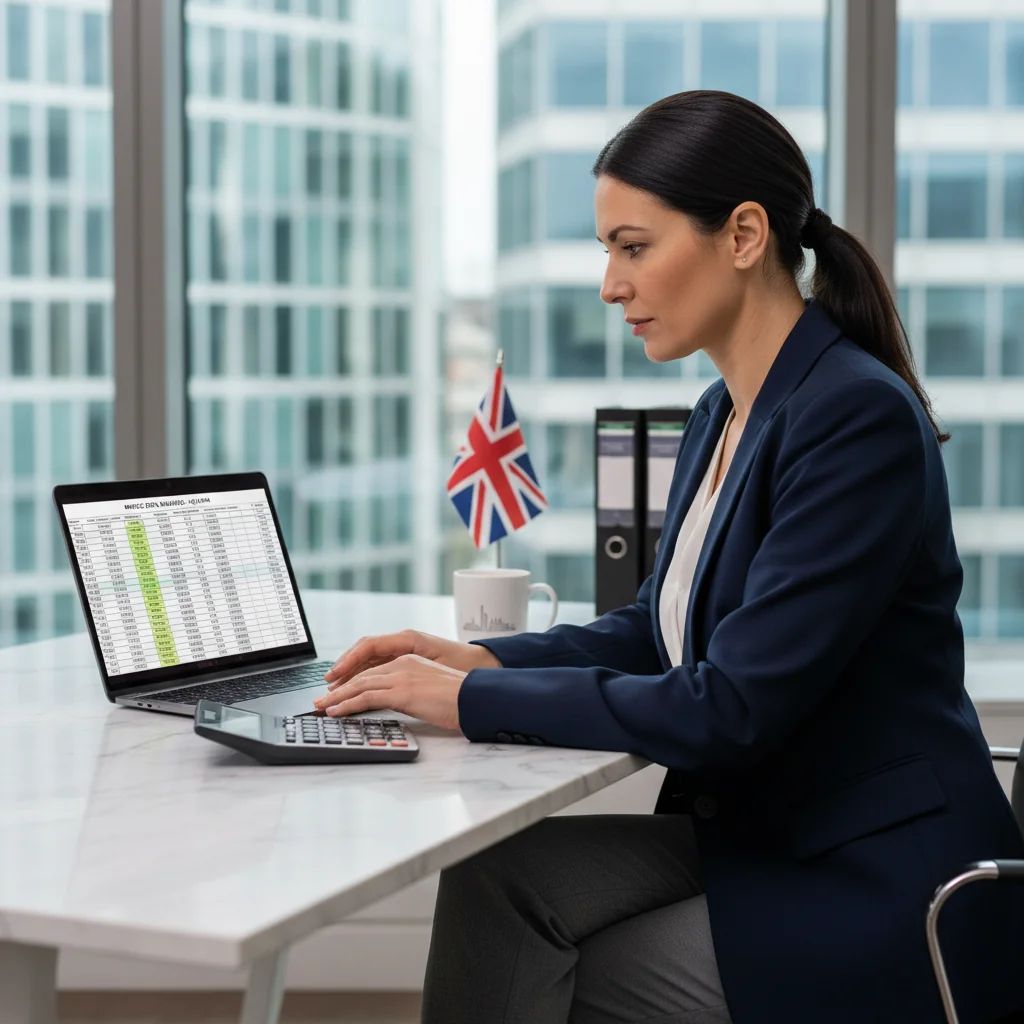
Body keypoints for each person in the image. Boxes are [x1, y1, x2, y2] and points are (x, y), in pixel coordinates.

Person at [313, 91, 1024, 1024]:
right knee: (496, 885)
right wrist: (481, 660)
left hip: (877, 880)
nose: (610, 284)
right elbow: (656, 632)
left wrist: (469, 703)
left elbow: (728, 706)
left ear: (742, 235)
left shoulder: (854, 419)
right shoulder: (722, 412)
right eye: (608, 249)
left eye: (633, 247)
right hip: (774, 833)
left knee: (568, 977)